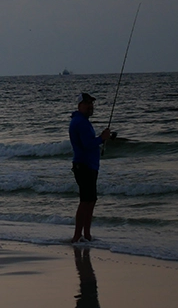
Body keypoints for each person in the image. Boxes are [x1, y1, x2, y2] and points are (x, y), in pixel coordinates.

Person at [69, 92, 112, 243]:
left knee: (90, 200)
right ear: (80, 105)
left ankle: (86, 235)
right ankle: (78, 236)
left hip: (87, 165)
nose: (90, 106)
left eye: (91, 104)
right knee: (86, 200)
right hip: (84, 165)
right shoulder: (80, 122)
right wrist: (102, 138)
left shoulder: (81, 121)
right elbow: (87, 144)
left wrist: (101, 138)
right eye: (87, 104)